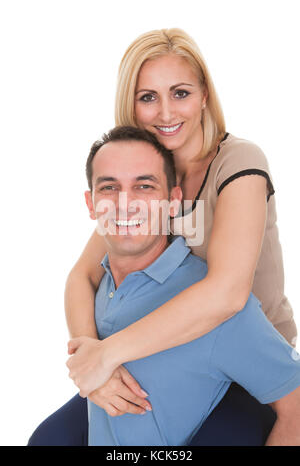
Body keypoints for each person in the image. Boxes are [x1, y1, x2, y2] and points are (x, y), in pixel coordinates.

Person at [28, 28, 297, 445]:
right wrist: (94, 367)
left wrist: (109, 354)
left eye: (181, 93)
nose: (165, 113)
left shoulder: (240, 162)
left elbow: (227, 294)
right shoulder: (144, 177)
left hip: (240, 364)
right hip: (162, 350)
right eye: (148, 97)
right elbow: (82, 277)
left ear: (205, 95)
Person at [68, 125, 300, 446]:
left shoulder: (220, 312)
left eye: (145, 186)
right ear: (90, 203)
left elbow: (297, 410)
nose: (126, 203)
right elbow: (78, 281)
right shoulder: (99, 288)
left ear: (173, 201)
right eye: (109, 187)